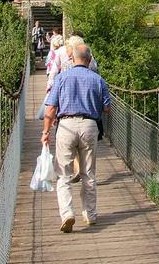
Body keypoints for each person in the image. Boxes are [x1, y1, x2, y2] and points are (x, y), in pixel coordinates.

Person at [42, 43, 111, 232]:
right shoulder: (98, 80)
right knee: (88, 173)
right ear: (89, 60)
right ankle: (90, 215)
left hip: (66, 125)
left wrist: (46, 132)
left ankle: (67, 214)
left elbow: (50, 109)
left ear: (72, 59)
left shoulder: (62, 78)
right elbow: (106, 108)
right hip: (89, 126)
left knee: (63, 174)